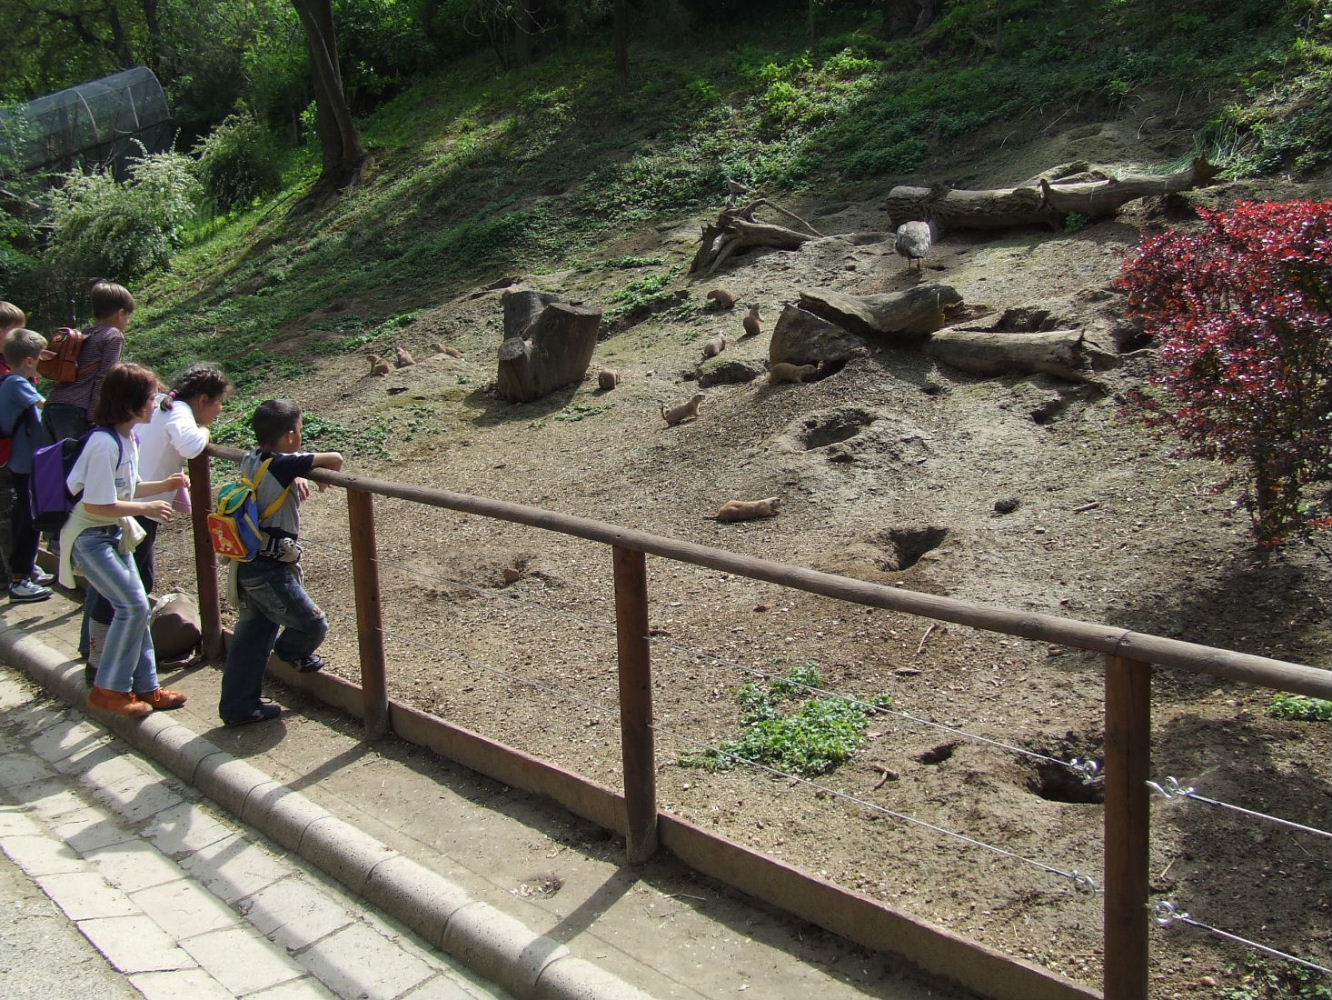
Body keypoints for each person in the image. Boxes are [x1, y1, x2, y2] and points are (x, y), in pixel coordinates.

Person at [59, 363, 190, 719]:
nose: (156, 403)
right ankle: (108, 690)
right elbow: (97, 502)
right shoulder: (103, 443)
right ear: (131, 402)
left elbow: (125, 485)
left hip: (114, 533)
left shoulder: (126, 437)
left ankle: (147, 686)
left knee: (140, 606)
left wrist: (166, 484)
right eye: (150, 397)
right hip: (89, 537)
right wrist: (147, 505)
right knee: (131, 606)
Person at [219, 399, 342, 727]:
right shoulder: (283, 463)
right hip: (271, 568)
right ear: (289, 437)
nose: (301, 435)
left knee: (251, 637)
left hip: (247, 561)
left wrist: (298, 475)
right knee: (313, 623)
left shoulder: (252, 457)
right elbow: (336, 459)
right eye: (300, 430)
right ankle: (291, 653)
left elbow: (271, 479)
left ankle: (238, 706)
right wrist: (308, 470)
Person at [131, 362, 233, 595]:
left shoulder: (162, 404)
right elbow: (191, 447)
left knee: (139, 580)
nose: (221, 409)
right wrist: (205, 432)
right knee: (127, 586)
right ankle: (103, 631)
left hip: (136, 500)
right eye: (220, 402)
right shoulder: (178, 411)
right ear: (203, 400)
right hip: (138, 506)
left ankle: (122, 629)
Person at [42, 280, 133, 444]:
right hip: (77, 410)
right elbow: (105, 377)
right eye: (128, 316)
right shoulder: (113, 336)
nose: (128, 322)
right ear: (120, 313)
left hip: (53, 405)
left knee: (53, 466)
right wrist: (95, 416)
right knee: (78, 466)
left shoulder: (85, 333)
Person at [0, 329, 54, 602]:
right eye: (42, 358)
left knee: (29, 518)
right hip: (25, 464)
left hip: (23, 463)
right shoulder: (16, 383)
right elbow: (47, 407)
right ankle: (20, 580)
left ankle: (27, 571)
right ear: (30, 361)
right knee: (28, 520)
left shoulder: (10, 381)